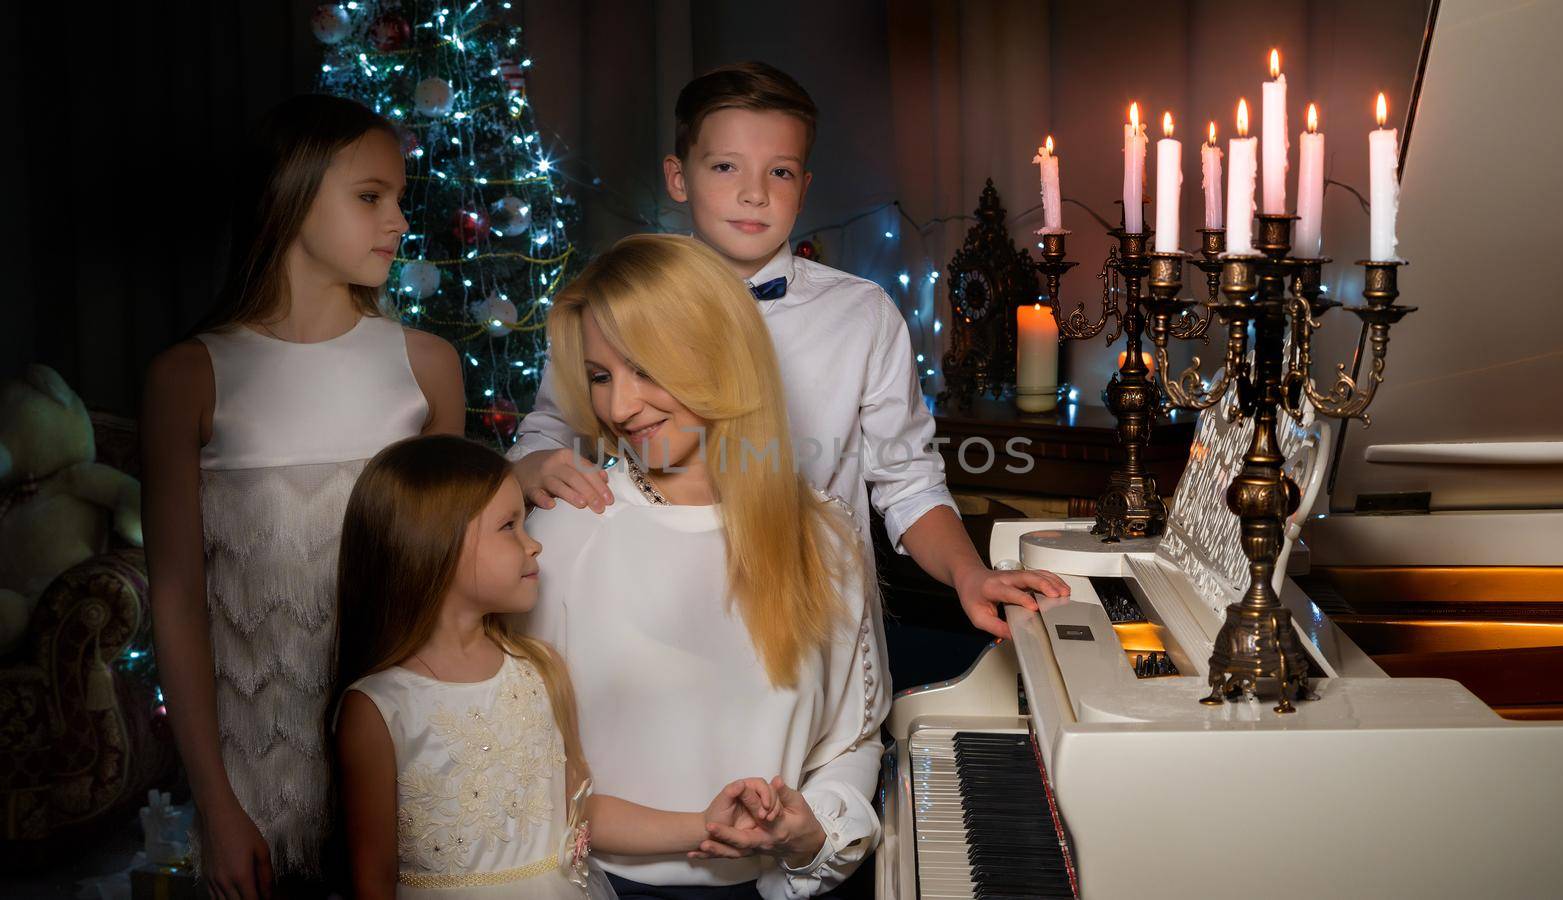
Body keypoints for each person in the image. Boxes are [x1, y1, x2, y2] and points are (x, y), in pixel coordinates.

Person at [509, 61, 1067, 641]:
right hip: (660, 627)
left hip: (819, 628)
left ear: (803, 188)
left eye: (779, 172)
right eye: (725, 166)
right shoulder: (617, 304)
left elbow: (908, 482)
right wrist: (533, 467)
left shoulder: (863, 315)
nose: (753, 194)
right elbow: (550, 432)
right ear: (678, 177)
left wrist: (969, 573)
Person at [141, 94, 464, 897]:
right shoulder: (189, 377)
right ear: (290, 193)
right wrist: (216, 808)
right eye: (369, 196)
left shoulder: (426, 367)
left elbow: (456, 583)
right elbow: (178, 600)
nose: (397, 220)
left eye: (399, 197)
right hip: (253, 788)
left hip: (411, 776)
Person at [528, 233, 888, 898]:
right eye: (601, 376)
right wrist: (702, 829)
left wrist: (813, 832)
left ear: (721, 355)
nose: (619, 407)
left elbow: (853, 739)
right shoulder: (563, 532)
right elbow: (524, 779)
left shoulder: (825, 534)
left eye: (645, 368)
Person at [331, 435, 783, 899]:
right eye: (509, 527)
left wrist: (702, 824)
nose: (534, 546)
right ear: (432, 546)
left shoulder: (536, 670)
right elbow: (372, 880)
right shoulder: (379, 709)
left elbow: (579, 812)